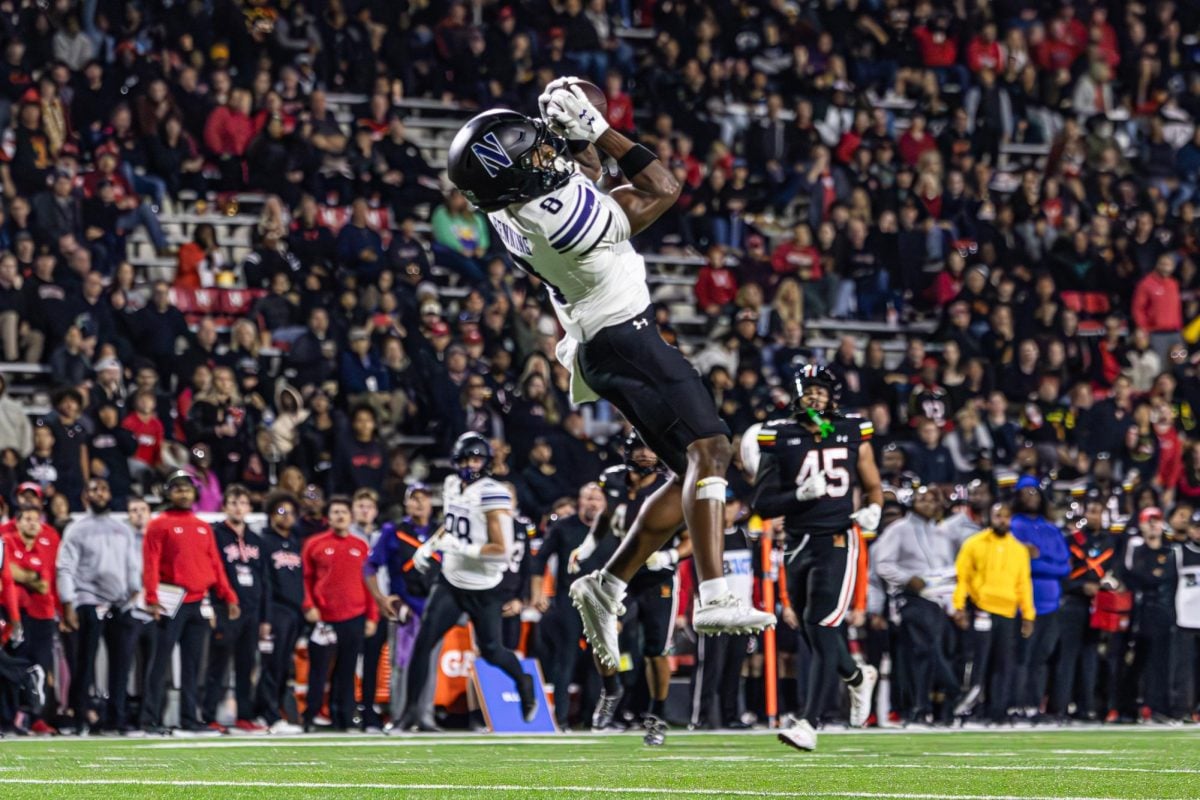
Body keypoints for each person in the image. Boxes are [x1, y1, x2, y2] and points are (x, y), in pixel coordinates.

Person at [447, 79, 774, 673]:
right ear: (519, 177)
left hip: (601, 340)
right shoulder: (559, 219)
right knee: (713, 447)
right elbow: (662, 187)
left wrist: (573, 138)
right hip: (624, 334)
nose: (548, 155)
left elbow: (583, 176)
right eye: (536, 154)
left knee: (688, 472)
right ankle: (716, 595)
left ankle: (607, 583)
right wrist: (598, 129)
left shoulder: (508, 206)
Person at [753, 365, 882, 752]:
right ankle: (858, 679)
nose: (815, 397)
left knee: (824, 625)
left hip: (839, 538)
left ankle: (809, 722)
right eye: (809, 390)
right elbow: (761, 503)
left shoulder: (851, 430)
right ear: (797, 395)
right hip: (796, 541)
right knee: (811, 629)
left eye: (821, 391)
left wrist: (875, 508)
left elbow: (873, 485)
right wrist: (799, 496)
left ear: (832, 397)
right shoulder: (779, 435)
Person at [402, 433, 538, 728]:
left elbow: (500, 551)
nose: (470, 464)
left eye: (476, 459)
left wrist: (462, 549)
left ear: (486, 462)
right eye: (465, 459)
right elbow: (450, 526)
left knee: (491, 651)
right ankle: (410, 713)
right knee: (423, 643)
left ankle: (524, 682)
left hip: (484, 586)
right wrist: (430, 546)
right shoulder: (452, 485)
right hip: (451, 580)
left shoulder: (493, 492)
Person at [567, 433, 690, 745]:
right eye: (640, 449)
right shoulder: (613, 481)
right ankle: (611, 690)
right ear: (628, 451)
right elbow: (606, 519)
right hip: (621, 573)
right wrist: (586, 546)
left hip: (656, 576)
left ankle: (657, 715)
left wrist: (670, 555)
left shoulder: (672, 485)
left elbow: (691, 535)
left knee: (655, 650)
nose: (647, 455)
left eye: (651, 448)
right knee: (600, 634)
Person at [139, 470, 241, 734]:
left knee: (194, 665)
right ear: (168, 493)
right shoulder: (159, 524)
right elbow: (150, 563)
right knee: (159, 662)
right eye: (177, 489)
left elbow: (215, 564)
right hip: (170, 599)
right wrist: (151, 597)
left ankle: (189, 718)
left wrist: (228, 594)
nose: (183, 493)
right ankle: (150, 719)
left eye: (187, 489)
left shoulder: (202, 526)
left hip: (198, 600)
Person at [870, 485, 962, 724]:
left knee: (941, 651)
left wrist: (955, 606)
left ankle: (937, 708)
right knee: (923, 652)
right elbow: (882, 565)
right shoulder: (898, 530)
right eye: (923, 499)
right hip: (911, 600)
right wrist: (907, 579)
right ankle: (934, 698)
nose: (928, 504)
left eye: (933, 500)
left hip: (940, 602)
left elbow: (949, 573)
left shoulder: (943, 534)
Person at [55, 477, 139, 734]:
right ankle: (80, 718)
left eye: (103, 489)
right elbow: (65, 567)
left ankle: (116, 719)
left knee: (121, 665)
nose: (100, 494)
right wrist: (68, 603)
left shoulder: (122, 528)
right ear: (85, 496)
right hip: (88, 600)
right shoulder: (77, 529)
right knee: (85, 663)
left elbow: (132, 564)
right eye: (94, 490)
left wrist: (134, 591)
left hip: (120, 603)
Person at [530, 481, 606, 730]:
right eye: (588, 498)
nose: (593, 503)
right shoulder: (564, 527)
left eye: (597, 498)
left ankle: (592, 718)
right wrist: (538, 592)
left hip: (602, 601)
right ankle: (560, 719)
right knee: (566, 658)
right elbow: (539, 560)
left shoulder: (612, 529)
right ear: (579, 502)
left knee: (600, 661)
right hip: (569, 599)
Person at [952, 501, 1035, 724]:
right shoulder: (974, 544)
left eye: (1006, 516)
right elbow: (962, 577)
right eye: (998, 515)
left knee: (1003, 664)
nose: (1002, 520)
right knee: (979, 662)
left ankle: (997, 712)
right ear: (990, 517)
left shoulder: (1019, 549)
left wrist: (1028, 614)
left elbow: (1023, 584)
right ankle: (973, 710)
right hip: (982, 609)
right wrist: (958, 606)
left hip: (1008, 613)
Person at [364, 482, 439, 730]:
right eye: (414, 498)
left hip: (434, 608)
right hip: (406, 608)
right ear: (406, 503)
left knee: (430, 664)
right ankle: (400, 716)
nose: (419, 503)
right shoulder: (393, 532)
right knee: (402, 664)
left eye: (424, 498)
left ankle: (425, 716)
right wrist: (381, 598)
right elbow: (370, 567)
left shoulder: (441, 533)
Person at [300, 495, 378, 732]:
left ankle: (343, 718)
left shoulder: (361, 545)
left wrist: (372, 616)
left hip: (354, 616)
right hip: (324, 618)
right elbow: (305, 578)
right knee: (319, 671)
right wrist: (308, 605)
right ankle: (310, 717)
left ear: (350, 517)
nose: (340, 516)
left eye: (344, 512)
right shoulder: (315, 543)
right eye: (335, 512)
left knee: (347, 671)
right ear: (328, 517)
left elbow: (369, 582)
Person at [202, 485, 270, 734]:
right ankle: (209, 715)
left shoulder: (256, 540)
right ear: (224, 506)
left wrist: (265, 617)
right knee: (217, 665)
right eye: (233, 503)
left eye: (242, 503)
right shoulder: (216, 534)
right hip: (225, 608)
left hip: (251, 611)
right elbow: (210, 571)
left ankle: (244, 716)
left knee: (246, 665)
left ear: (249, 508)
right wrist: (211, 606)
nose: (238, 508)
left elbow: (264, 581)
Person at [690, 491, 755, 730]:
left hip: (740, 612)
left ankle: (731, 715)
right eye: (722, 504)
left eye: (730, 503)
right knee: (710, 667)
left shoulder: (744, 537)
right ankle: (700, 717)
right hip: (714, 612)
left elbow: (750, 577)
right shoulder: (707, 537)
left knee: (734, 667)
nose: (726, 509)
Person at [1052, 492, 1118, 722]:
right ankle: (1060, 708)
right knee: (1068, 656)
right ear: (1084, 513)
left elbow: (1115, 572)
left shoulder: (1111, 541)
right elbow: (1062, 574)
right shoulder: (1072, 540)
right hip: (1073, 603)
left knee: (1091, 657)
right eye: (1091, 511)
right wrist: (1082, 586)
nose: (1095, 516)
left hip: (1099, 606)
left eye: (1099, 512)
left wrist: (1108, 586)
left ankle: (1087, 707)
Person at [1009, 475, 1070, 719]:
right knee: (1021, 656)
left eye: (1034, 492)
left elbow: (1065, 567)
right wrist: (1046, 563)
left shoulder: (1051, 528)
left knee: (1041, 656)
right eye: (1025, 493)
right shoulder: (1015, 525)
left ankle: (1034, 705)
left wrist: (1039, 560)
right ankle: (1015, 705)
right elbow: (1020, 564)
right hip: (1025, 604)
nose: (1031, 497)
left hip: (1052, 604)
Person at [3, 503, 60, 734]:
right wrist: (29, 576)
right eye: (26, 518)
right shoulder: (6, 540)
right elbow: (11, 574)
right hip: (13, 612)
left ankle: (28, 718)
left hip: (36, 614)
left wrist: (21, 575)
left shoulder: (44, 545)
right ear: (16, 521)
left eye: (36, 519)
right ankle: (14, 711)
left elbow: (42, 583)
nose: (32, 523)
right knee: (13, 663)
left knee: (39, 665)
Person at [252, 492, 305, 735]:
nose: (287, 517)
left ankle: (277, 712)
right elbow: (265, 583)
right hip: (275, 611)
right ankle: (267, 714)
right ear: (272, 514)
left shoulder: (296, 542)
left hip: (294, 612)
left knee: (284, 666)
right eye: (281, 511)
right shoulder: (264, 541)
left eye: (291, 512)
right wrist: (266, 616)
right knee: (271, 665)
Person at [1122, 506, 1178, 722]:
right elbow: (1140, 576)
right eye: (1149, 520)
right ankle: (1129, 708)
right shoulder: (1136, 550)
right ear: (1141, 524)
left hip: (1163, 613)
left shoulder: (1169, 552)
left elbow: (1158, 578)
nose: (1153, 524)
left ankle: (1158, 708)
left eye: (1157, 520)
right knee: (1135, 662)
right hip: (1140, 614)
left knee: (1160, 663)